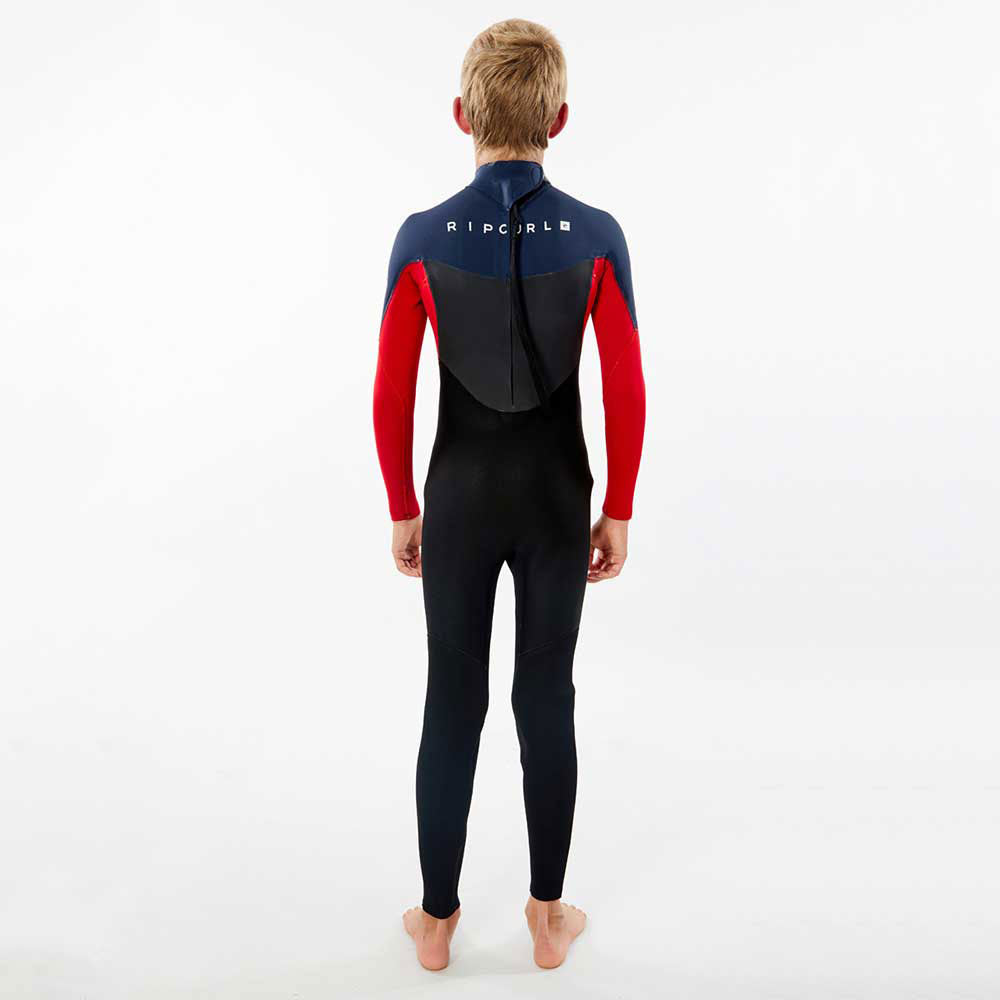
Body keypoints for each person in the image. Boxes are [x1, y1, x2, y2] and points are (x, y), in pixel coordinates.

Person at [373, 19, 646, 971]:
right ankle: (546, 916)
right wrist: (618, 508)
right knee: (545, 699)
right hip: (554, 497)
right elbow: (626, 387)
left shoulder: (421, 238)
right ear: (558, 119)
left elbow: (391, 392)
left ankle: (436, 922)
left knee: (452, 698)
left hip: (457, 495)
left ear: (461, 115)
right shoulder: (598, 237)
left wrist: (403, 505)